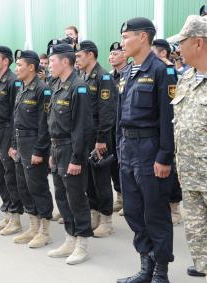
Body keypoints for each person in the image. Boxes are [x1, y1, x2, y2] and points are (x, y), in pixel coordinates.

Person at [116, 17, 177, 283]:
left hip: (150, 149)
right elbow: (121, 113)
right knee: (132, 210)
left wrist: (164, 156)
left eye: (127, 37)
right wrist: (119, 145)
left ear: (143, 37)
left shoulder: (163, 70)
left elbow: (168, 117)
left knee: (155, 212)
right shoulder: (128, 71)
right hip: (128, 148)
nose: (122, 42)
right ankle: (146, 266)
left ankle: (160, 272)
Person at [46, 43, 93, 264]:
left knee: (76, 197)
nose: (49, 66)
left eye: (52, 61)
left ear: (65, 61)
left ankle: (82, 243)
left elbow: (82, 127)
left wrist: (76, 158)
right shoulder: (56, 84)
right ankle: (69, 237)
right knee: (61, 196)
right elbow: (52, 120)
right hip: (57, 147)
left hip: (71, 149)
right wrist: (51, 151)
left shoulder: (78, 86)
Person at [173, 15, 207, 279]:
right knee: (195, 228)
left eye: (181, 42)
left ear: (198, 43)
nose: (177, 49)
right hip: (190, 172)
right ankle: (203, 264)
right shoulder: (186, 78)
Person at [9, 49, 54, 248]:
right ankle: (33, 226)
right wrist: (12, 145)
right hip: (20, 143)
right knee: (23, 187)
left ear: (31, 67)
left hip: (34, 143)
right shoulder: (22, 87)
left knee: (38, 187)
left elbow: (45, 124)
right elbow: (16, 119)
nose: (16, 68)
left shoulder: (42, 89)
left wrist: (39, 151)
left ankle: (44, 231)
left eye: (19, 65)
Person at [75, 40, 116, 237]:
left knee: (100, 178)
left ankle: (106, 219)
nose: (76, 60)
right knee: (88, 178)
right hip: (85, 134)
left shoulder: (103, 77)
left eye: (79, 56)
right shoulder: (82, 76)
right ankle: (94, 213)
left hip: (99, 136)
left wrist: (101, 138)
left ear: (90, 55)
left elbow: (107, 111)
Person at [0, 45, 23, 235]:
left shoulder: (13, 81)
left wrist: (12, 142)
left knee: (10, 175)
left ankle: (16, 217)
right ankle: (8, 213)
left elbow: (15, 114)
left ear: (5, 61)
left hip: (7, 132)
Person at [152, 39, 183, 225]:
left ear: (162, 53)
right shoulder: (154, 71)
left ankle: (174, 207)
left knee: (172, 170)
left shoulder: (169, 71)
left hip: (171, 125)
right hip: (156, 130)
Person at [108, 42, 128, 216]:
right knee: (114, 164)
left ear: (125, 55)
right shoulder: (108, 77)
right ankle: (120, 198)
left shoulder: (130, 74)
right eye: (111, 54)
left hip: (125, 126)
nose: (111, 57)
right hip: (111, 127)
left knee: (125, 163)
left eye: (115, 53)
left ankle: (128, 199)